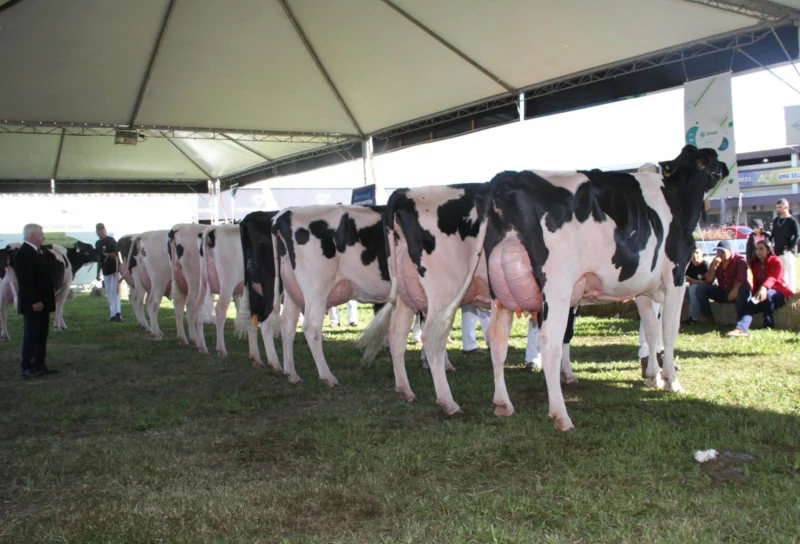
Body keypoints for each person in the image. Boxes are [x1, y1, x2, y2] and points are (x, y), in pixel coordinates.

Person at [15, 223, 58, 378]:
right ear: (33, 236)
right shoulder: (24, 254)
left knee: (41, 335)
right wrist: (34, 300)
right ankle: (27, 366)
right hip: (34, 304)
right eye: (41, 234)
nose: (43, 237)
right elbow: (25, 281)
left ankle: (40, 364)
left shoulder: (37, 252)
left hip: (43, 302)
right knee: (31, 335)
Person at [727, 240, 793, 336]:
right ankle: (741, 328)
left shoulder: (775, 261)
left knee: (767, 296)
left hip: (778, 292)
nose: (758, 251)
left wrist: (764, 288)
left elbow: (773, 277)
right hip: (762, 293)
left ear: (768, 250)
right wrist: (754, 295)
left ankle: (768, 326)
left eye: (761, 249)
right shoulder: (755, 264)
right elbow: (756, 283)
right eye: (757, 249)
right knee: (748, 305)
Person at [695, 240, 751, 325]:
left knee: (742, 292)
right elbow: (709, 280)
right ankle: (708, 317)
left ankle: (740, 322)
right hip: (723, 291)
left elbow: (741, 278)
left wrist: (734, 290)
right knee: (701, 289)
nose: (720, 254)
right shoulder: (717, 262)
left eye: (722, 252)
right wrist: (713, 268)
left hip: (738, 291)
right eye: (718, 252)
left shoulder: (739, 260)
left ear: (729, 251)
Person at [769, 198, 799, 293]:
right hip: (778, 249)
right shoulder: (776, 220)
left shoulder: (792, 221)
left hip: (788, 250)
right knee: (781, 271)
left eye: (780, 207)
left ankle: (791, 290)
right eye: (777, 207)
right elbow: (773, 234)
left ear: (786, 207)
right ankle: (783, 289)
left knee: (790, 270)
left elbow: (797, 235)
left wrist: (790, 247)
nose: (778, 209)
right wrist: (770, 242)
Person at [95, 223, 122, 322]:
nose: (100, 232)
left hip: (114, 269)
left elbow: (115, 254)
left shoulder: (111, 241)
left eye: (101, 230)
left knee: (116, 291)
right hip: (105, 271)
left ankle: (118, 313)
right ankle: (112, 314)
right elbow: (99, 260)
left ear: (105, 230)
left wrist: (107, 254)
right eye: (98, 230)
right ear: (96, 232)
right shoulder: (97, 243)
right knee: (109, 292)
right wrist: (98, 273)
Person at [681, 245, 709, 326]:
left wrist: (691, 280)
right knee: (677, 289)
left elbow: (707, 282)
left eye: (697, 253)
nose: (694, 255)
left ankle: (693, 318)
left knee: (693, 288)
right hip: (691, 291)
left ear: (702, 254)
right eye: (692, 253)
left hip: (703, 292)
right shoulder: (689, 266)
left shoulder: (705, 265)